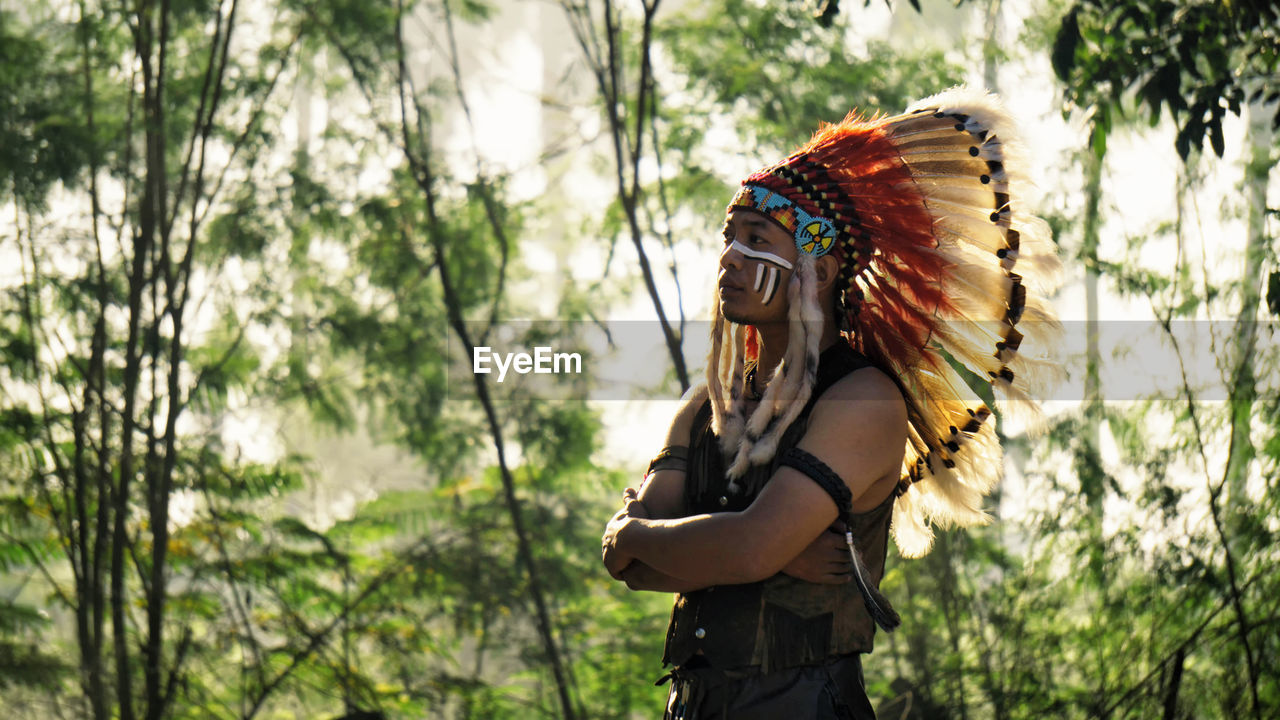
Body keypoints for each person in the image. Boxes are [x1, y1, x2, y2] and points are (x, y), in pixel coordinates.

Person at [601, 86, 1062, 719]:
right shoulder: (704, 406)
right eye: (729, 239)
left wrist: (642, 533)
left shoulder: (862, 401)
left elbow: (743, 549)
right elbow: (631, 569)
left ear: (817, 269)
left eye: (757, 240)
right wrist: (647, 540)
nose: (730, 260)